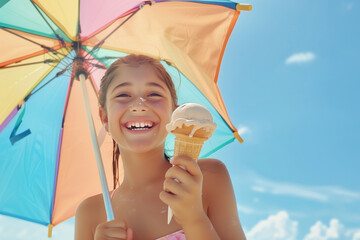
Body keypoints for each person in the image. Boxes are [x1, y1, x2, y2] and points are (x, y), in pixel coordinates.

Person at [75, 54, 246, 240]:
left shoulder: (210, 177)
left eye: (154, 94)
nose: (138, 106)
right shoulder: (90, 214)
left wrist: (194, 219)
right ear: (104, 118)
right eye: (123, 95)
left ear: (175, 113)